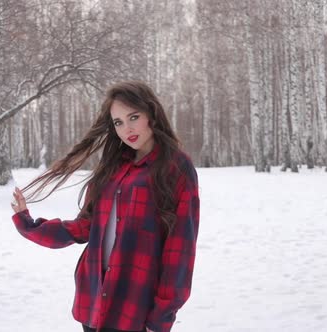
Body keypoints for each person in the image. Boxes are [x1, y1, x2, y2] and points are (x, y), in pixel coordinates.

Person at [10, 81, 200, 332]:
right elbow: (84, 228)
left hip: (135, 308)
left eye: (134, 117)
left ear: (151, 114)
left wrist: (161, 317)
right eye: (118, 122)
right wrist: (28, 223)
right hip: (94, 302)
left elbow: (180, 249)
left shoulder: (175, 167)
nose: (127, 128)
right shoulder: (113, 167)